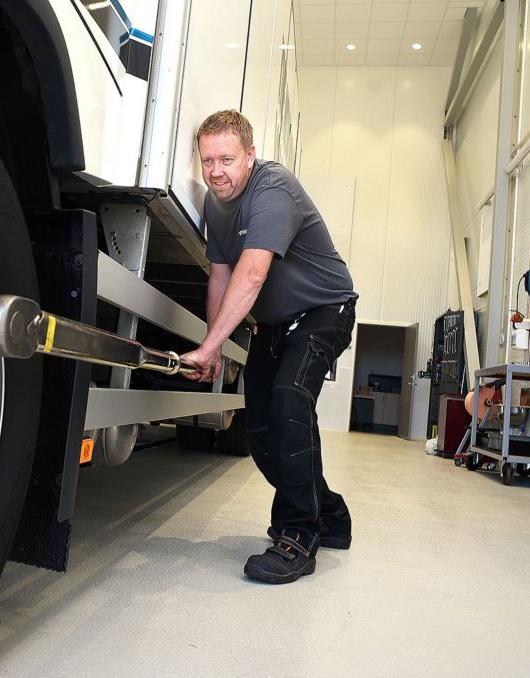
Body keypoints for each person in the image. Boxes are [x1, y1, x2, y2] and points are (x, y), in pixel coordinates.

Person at [181, 109, 358, 585]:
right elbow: (220, 277)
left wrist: (211, 346)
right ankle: (330, 513)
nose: (216, 172)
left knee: (289, 400)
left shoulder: (272, 189)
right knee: (260, 435)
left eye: (227, 159)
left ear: (251, 155)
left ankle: (298, 534)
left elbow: (252, 273)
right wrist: (212, 347)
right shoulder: (217, 206)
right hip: (276, 324)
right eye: (207, 160)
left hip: (326, 310)